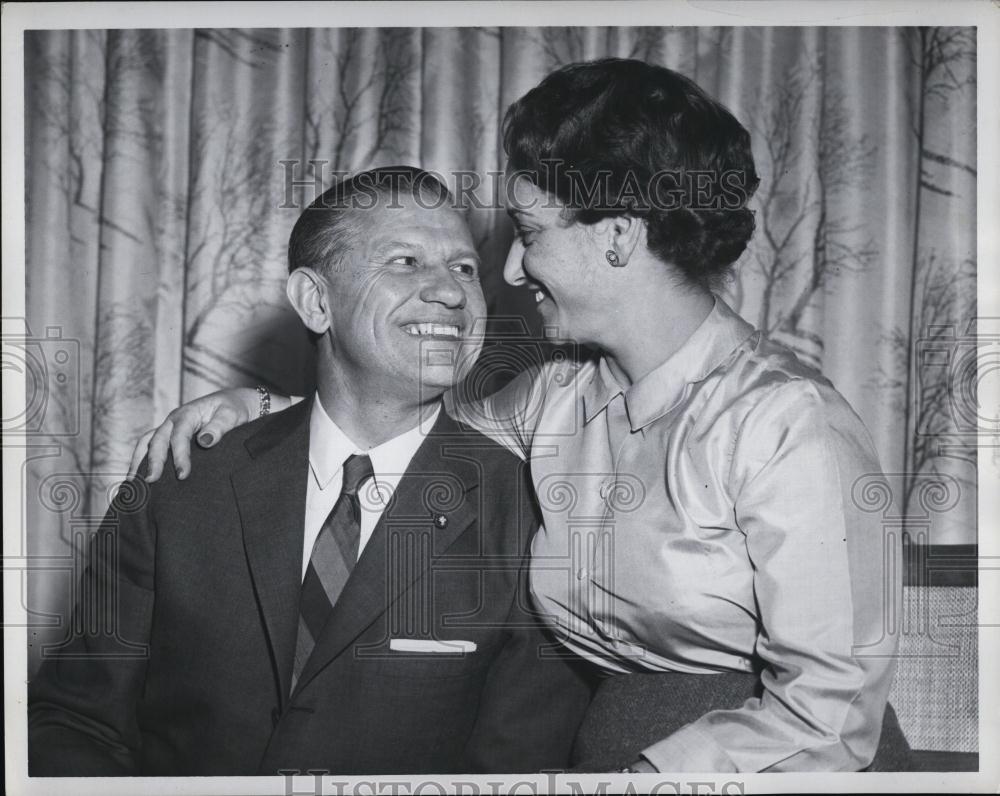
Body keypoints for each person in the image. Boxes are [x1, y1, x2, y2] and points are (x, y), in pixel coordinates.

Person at [131, 60, 909, 772]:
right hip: (605, 756)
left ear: (618, 236)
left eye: (530, 235)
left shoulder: (788, 424)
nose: (508, 270)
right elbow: (396, 427)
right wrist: (261, 405)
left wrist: (645, 780)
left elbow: (833, 717)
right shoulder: (555, 397)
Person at [28, 167, 593, 776]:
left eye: (463, 268)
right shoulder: (182, 480)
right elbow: (76, 723)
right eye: (404, 261)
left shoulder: (530, 516)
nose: (451, 294)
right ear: (316, 301)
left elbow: (517, 772)